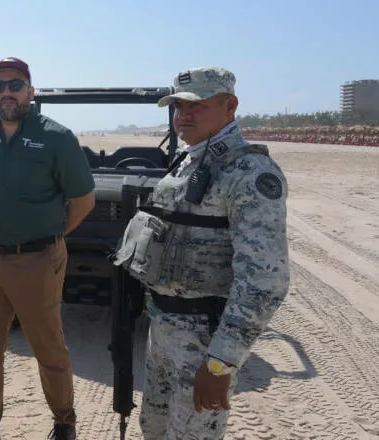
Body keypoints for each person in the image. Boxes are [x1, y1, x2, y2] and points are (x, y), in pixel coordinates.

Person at [113, 67, 289, 439]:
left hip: (203, 343)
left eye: (198, 105)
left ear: (230, 106)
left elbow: (264, 281)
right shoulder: (189, 162)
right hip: (161, 330)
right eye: (178, 106)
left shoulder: (249, 174)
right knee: (154, 429)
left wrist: (221, 363)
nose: (184, 115)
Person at [0, 57, 96, 440]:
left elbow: (83, 200)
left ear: (30, 91)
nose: (7, 92)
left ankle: (64, 421)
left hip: (37, 259)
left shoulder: (56, 137)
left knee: (48, 348)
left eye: (15, 85)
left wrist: (50, 239)